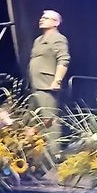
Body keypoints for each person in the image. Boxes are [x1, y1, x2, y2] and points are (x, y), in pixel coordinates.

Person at [28, 9, 70, 157]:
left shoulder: (58, 38)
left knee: (49, 120)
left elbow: (63, 60)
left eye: (46, 18)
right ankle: (35, 156)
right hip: (35, 84)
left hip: (47, 85)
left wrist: (57, 80)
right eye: (42, 17)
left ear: (56, 22)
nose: (41, 19)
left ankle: (54, 154)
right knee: (32, 121)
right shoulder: (38, 40)